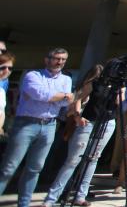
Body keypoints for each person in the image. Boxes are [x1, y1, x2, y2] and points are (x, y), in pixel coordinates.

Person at [0, 47, 73, 207]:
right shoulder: (32, 75)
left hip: (49, 125)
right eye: (56, 58)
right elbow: (40, 94)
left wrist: (58, 97)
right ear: (47, 59)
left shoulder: (66, 79)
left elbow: (64, 102)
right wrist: (60, 96)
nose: (59, 62)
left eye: (63, 59)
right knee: (9, 167)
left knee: (35, 167)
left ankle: (24, 204)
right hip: (26, 124)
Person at [43, 64, 121, 207]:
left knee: (93, 159)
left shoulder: (115, 87)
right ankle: (52, 197)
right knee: (73, 160)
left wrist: (120, 89)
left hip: (107, 122)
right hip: (88, 122)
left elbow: (118, 104)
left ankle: (81, 195)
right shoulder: (93, 84)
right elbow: (77, 98)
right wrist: (78, 115)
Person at [0, 52, 15, 137]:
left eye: (10, 68)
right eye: (3, 67)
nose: (7, 71)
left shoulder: (2, 91)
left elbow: (1, 112)